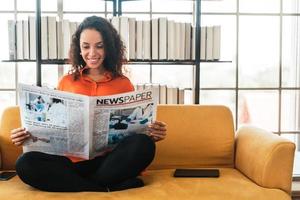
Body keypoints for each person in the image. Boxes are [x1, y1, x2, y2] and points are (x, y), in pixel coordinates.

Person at [10, 16, 167, 192]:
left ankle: (83, 185)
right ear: (79, 49)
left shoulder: (123, 84)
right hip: (69, 163)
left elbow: (133, 128)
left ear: (109, 47)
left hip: (107, 162)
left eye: (99, 46)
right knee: (25, 163)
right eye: (86, 46)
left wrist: (151, 132)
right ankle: (102, 187)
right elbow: (51, 124)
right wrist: (26, 135)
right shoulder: (66, 82)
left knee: (144, 144)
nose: (92, 53)